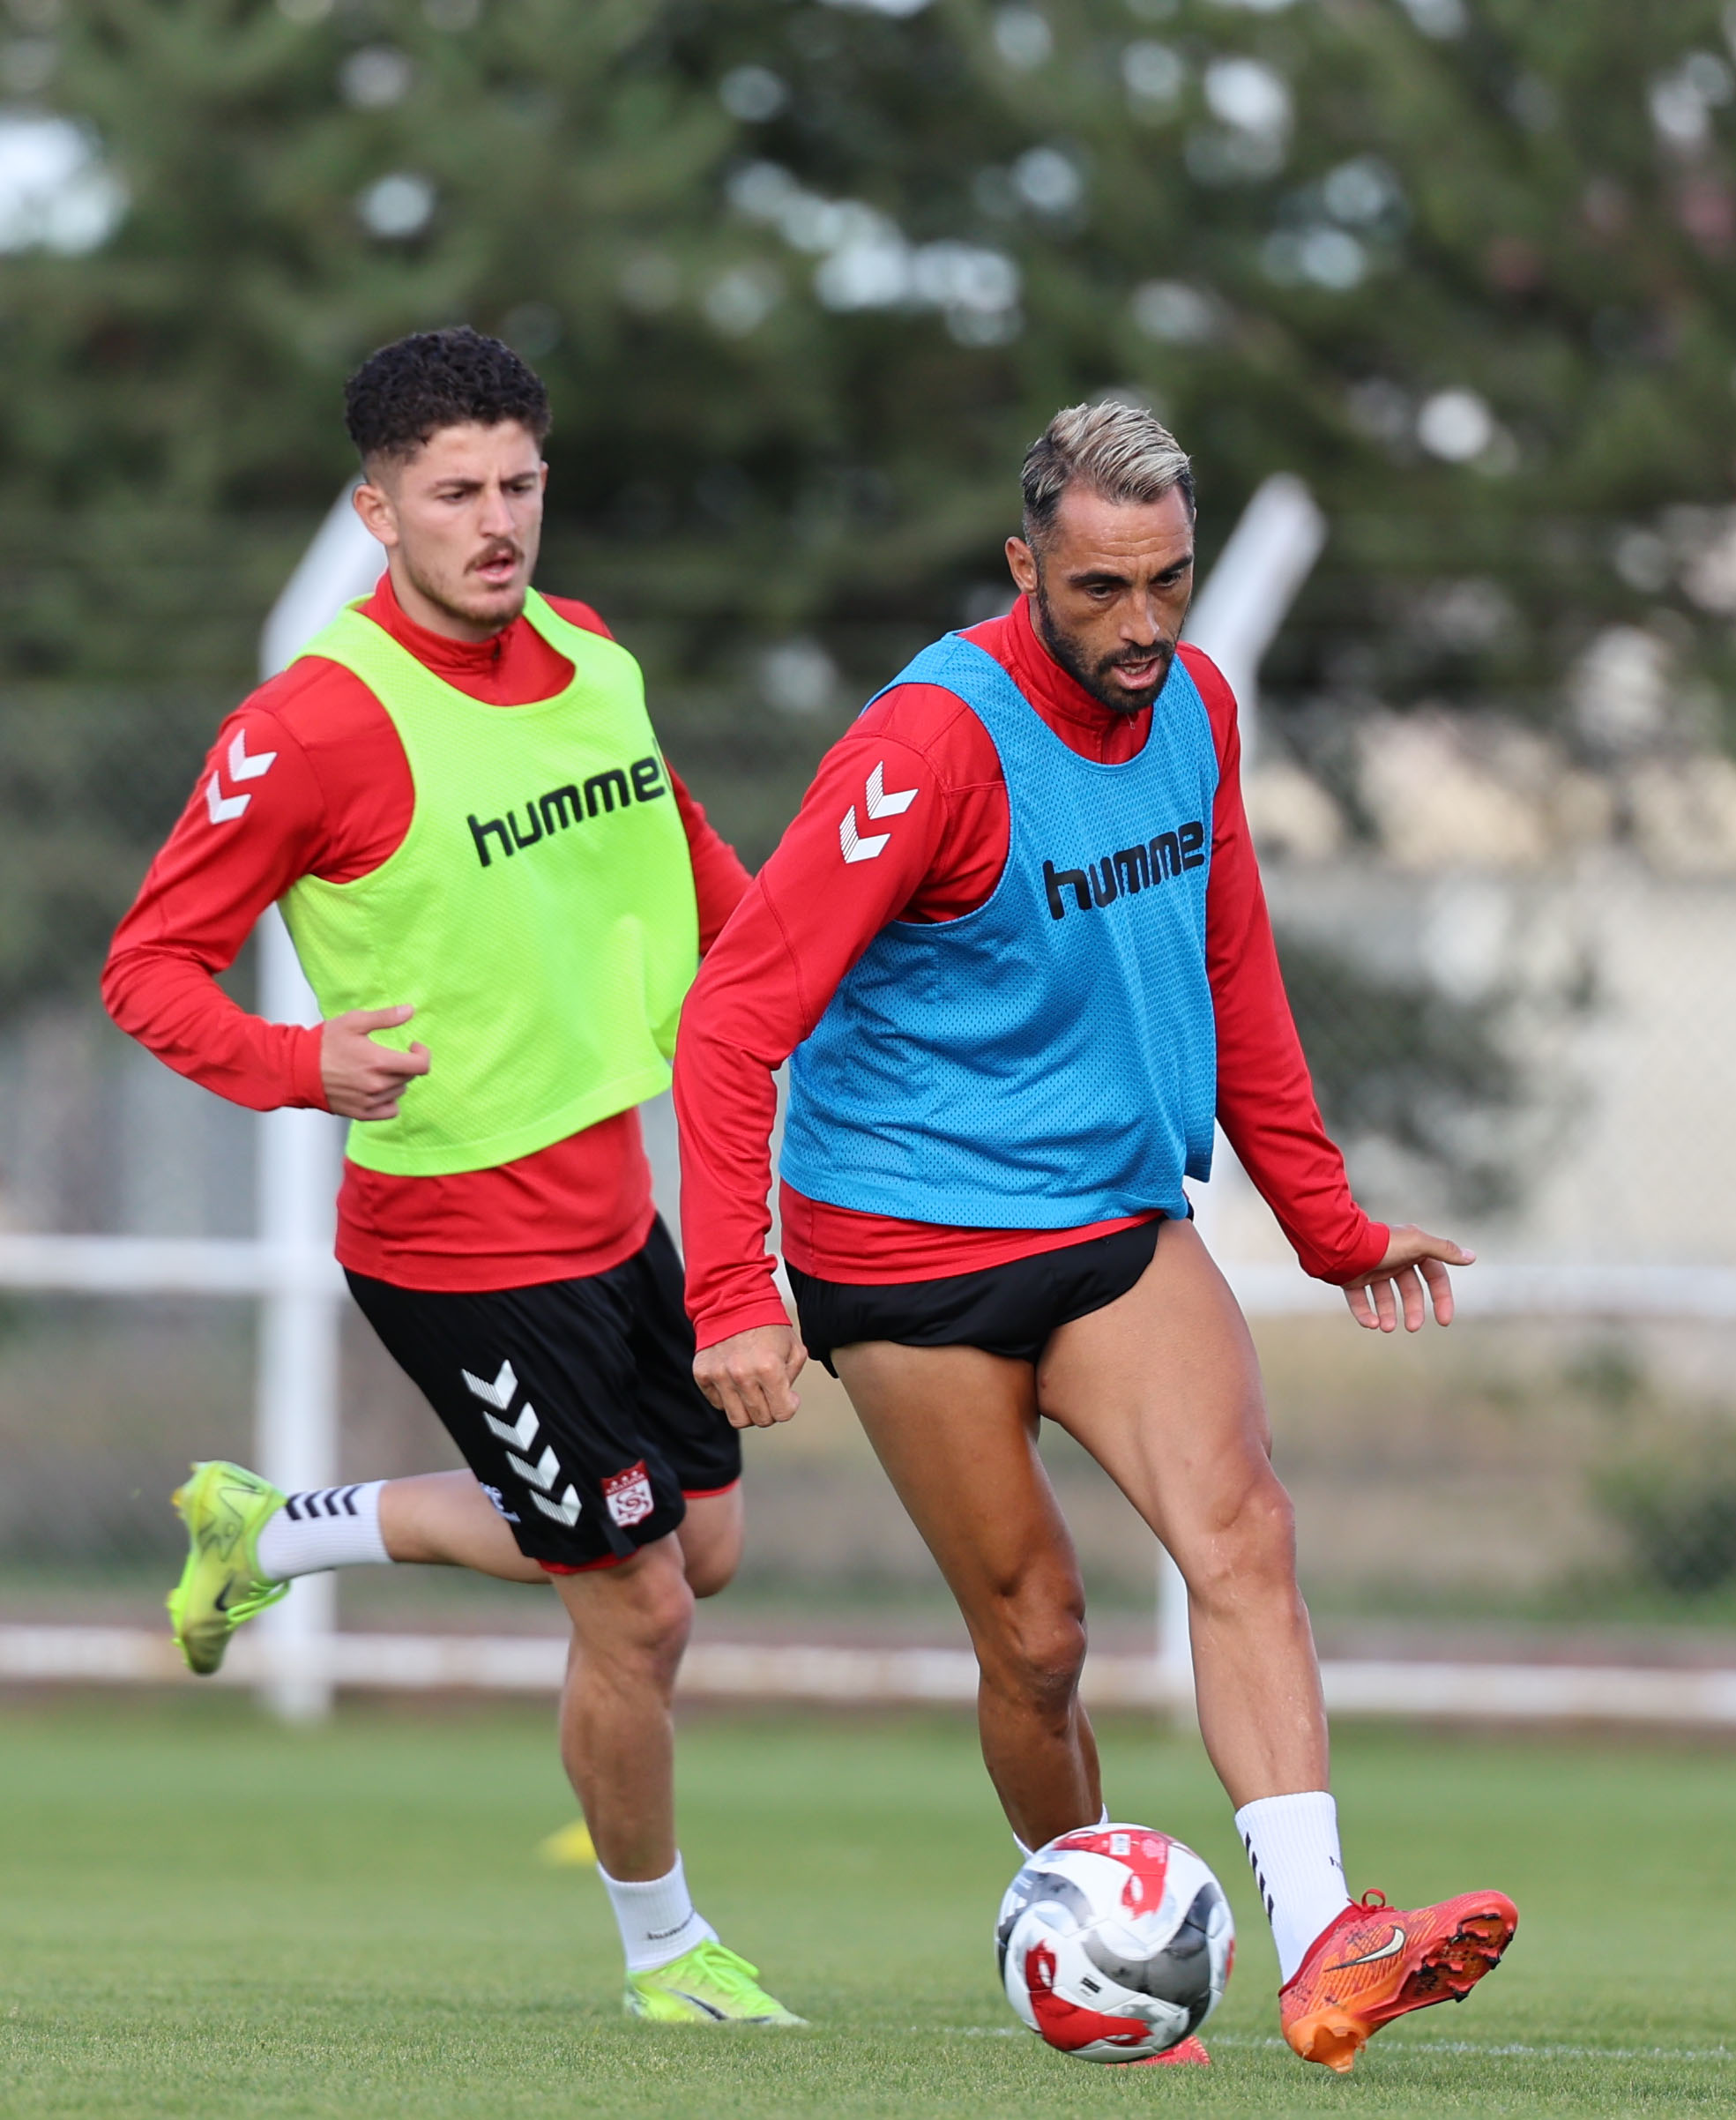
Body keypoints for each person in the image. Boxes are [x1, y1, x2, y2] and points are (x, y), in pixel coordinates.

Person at [674, 402, 1515, 2073]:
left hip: (1111, 1216)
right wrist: (731, 1293)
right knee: (1038, 1638)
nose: (1141, 626)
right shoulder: (929, 747)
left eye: (1169, 582)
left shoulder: (1196, 705)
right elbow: (732, 1017)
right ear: (1023, 568)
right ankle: (1095, 1967)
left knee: (1243, 1533)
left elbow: (1233, 967)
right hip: (906, 1243)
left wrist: (1325, 1222)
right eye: (1098, 590)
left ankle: (1325, 1943)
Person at [102, 327, 800, 2028]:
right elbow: (148, 968)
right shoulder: (314, 725)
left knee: (699, 1544)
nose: (496, 524)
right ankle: (667, 1957)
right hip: (456, 1241)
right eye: (455, 494)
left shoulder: (593, 656)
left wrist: (802, 974)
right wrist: (301, 1064)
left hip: (613, 1206)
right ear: (377, 510)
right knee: (636, 1605)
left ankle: (273, 1530)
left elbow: (685, 853)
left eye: (519, 486)